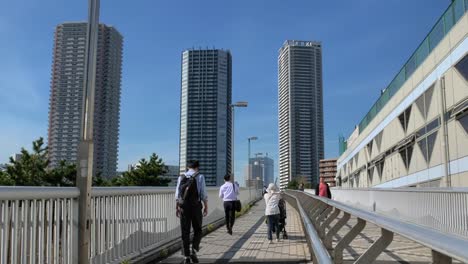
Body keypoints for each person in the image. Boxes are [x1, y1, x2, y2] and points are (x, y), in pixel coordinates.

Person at [175, 160, 208, 264]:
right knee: (198, 229)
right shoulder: (200, 177)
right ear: (197, 167)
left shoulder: (181, 177)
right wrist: (206, 206)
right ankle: (194, 249)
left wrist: (177, 207)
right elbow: (203, 193)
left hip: (184, 207)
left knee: (185, 231)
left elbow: (178, 195)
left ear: (187, 167)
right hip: (196, 207)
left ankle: (186, 256)